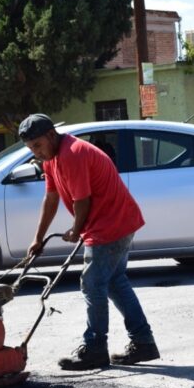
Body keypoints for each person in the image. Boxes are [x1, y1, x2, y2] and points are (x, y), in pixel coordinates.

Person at [19, 113, 159, 370]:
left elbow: (83, 200)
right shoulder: (51, 159)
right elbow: (50, 198)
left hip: (111, 224)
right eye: (31, 149)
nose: (36, 153)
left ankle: (95, 348)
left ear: (51, 135)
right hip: (117, 220)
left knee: (92, 282)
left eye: (37, 145)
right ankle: (143, 343)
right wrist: (37, 238)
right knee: (114, 281)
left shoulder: (73, 153)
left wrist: (76, 229)